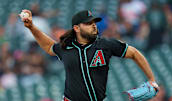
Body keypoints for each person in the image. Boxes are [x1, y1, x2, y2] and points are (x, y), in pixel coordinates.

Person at [20, 9, 159, 101]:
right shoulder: (67, 47)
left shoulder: (105, 45)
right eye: (88, 23)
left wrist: (151, 78)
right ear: (76, 28)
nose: (93, 25)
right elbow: (49, 46)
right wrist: (32, 27)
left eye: (94, 22)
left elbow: (134, 53)